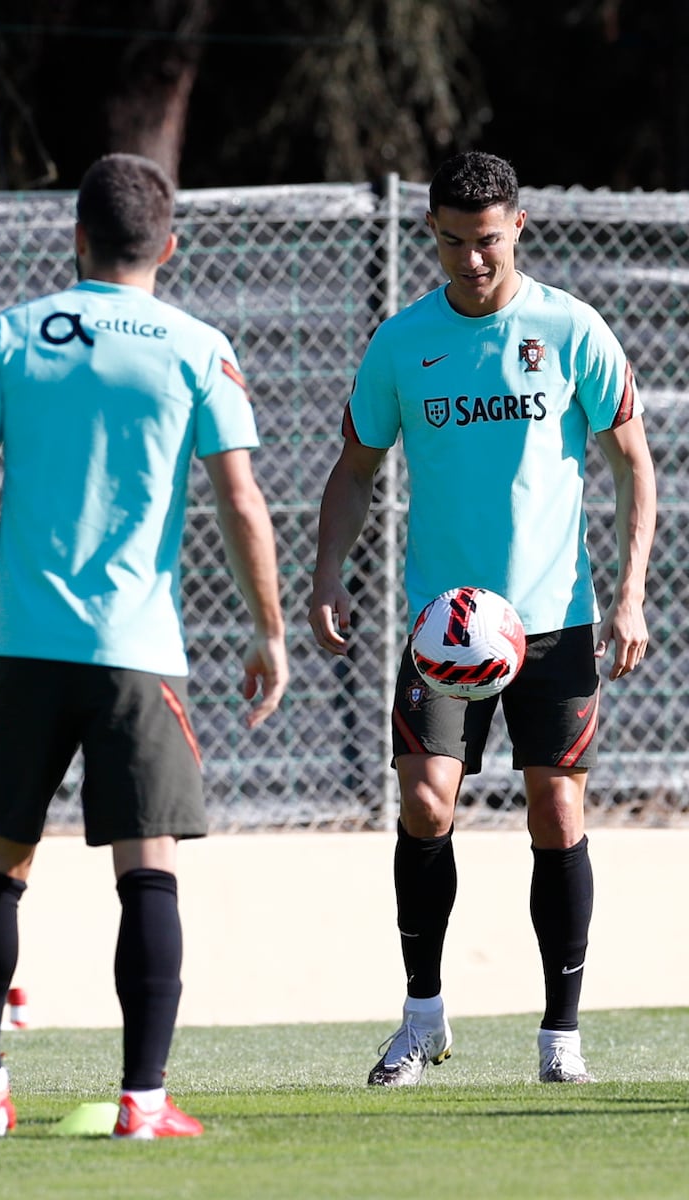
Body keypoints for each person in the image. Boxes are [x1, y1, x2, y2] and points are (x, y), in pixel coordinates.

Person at [0, 152, 289, 1138]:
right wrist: (268, 630)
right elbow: (240, 498)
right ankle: (143, 1100)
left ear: (77, 237)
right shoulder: (195, 345)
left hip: (23, 646)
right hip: (136, 650)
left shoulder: (11, 335)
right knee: (147, 867)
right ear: (167, 245)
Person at [308, 151, 656, 1087]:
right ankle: (422, 1018)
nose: (472, 262)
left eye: (489, 242)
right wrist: (327, 573)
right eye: (456, 243)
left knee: (557, 812)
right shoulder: (401, 344)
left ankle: (561, 1038)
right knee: (425, 804)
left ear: (521, 228)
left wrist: (629, 593)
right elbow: (354, 470)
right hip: (445, 631)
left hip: (553, 624)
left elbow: (633, 463)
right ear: (433, 233)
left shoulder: (571, 329)